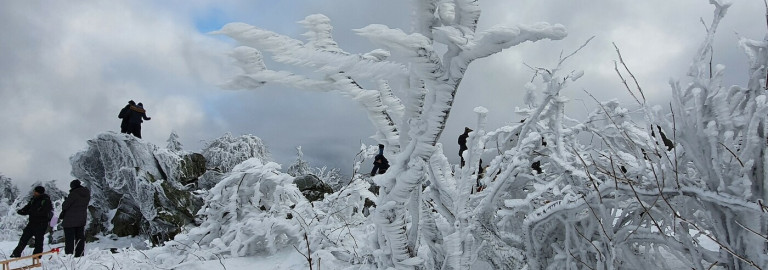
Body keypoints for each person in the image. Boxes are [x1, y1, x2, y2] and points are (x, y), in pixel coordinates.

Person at [11, 186, 53, 258]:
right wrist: (21, 211)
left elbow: (44, 212)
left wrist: (30, 212)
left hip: (41, 223)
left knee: (38, 240)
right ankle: (16, 254)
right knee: (24, 238)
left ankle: (37, 256)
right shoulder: (33, 200)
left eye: (35, 191)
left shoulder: (46, 201)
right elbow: (27, 207)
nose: (34, 192)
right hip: (32, 223)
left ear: (38, 192)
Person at [60, 180, 91, 257]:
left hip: (70, 220)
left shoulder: (74, 194)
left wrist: (66, 200)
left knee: (69, 240)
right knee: (80, 238)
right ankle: (79, 255)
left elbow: (65, 206)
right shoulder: (87, 193)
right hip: (81, 219)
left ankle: (69, 255)